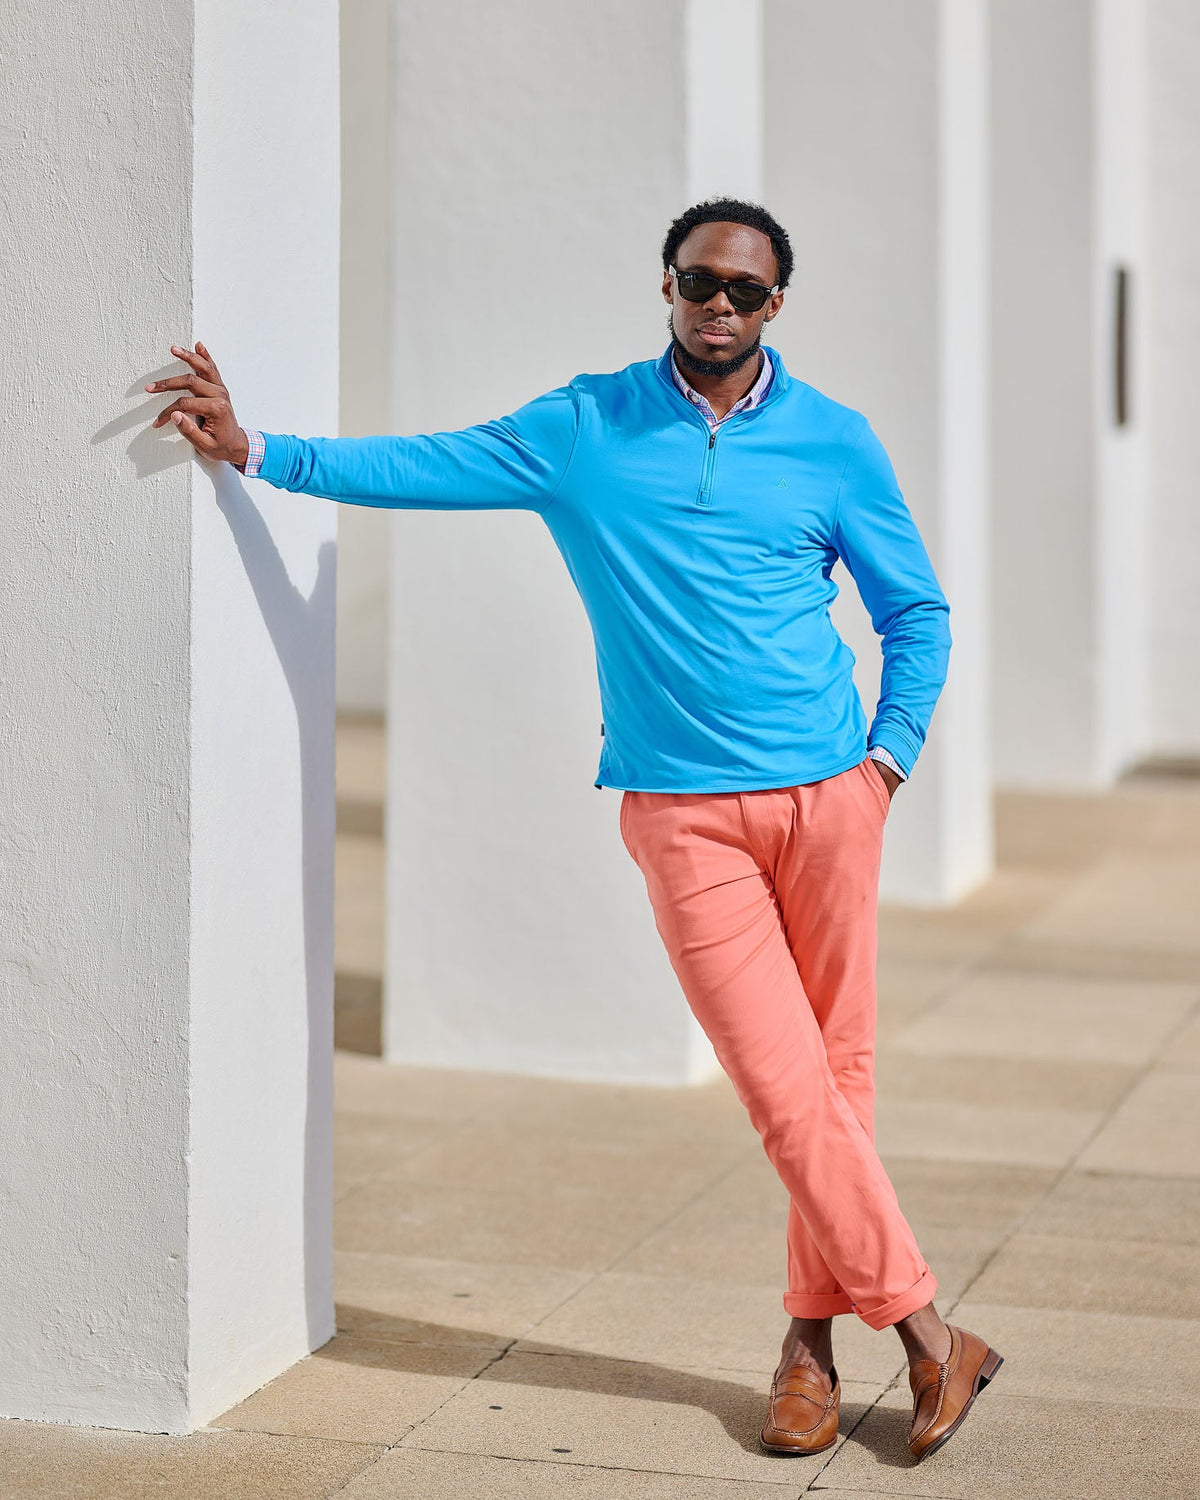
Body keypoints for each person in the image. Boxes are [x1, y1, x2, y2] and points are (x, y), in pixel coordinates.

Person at [145, 196, 1000, 1463]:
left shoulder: (834, 443)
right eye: (701, 283)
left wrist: (886, 762)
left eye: (747, 292)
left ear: (778, 308)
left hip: (832, 801)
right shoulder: (586, 425)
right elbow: (429, 464)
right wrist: (260, 449)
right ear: (665, 285)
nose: (721, 307)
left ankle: (809, 1354)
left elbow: (915, 611)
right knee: (781, 1088)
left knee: (836, 1084)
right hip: (683, 817)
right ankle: (932, 1336)